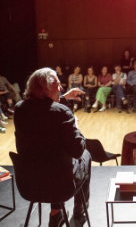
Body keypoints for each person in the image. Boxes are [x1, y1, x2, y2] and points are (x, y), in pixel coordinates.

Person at [14, 68, 91, 227]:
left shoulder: (20, 109)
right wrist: (75, 127)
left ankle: (56, 213)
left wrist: (62, 98)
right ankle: (79, 211)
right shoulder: (62, 112)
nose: (61, 88)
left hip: (29, 184)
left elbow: (42, 110)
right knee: (86, 155)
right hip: (62, 186)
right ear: (45, 88)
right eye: (58, 85)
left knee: (49, 155)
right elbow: (77, 151)